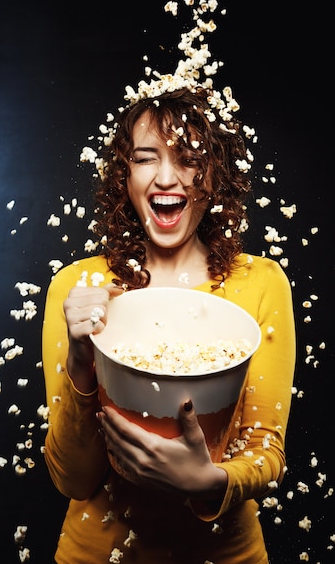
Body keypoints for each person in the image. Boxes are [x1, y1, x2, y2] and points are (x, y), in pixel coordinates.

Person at [42, 86, 296, 564]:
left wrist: (208, 482)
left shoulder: (261, 283)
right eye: (145, 158)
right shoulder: (78, 289)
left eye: (189, 157)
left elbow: (266, 451)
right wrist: (81, 361)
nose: (166, 177)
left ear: (215, 173)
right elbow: (70, 480)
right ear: (125, 174)